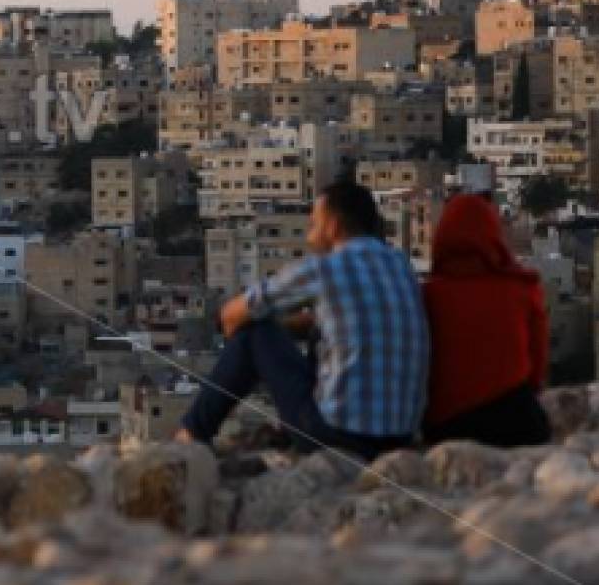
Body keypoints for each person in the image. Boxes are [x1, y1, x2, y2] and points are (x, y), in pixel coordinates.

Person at [177, 179, 428, 459]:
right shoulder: (400, 266)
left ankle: (191, 434)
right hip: (398, 439)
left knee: (254, 334)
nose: (309, 236)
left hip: (337, 436)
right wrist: (296, 326)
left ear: (333, 225)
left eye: (313, 225)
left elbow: (232, 316)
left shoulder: (325, 269)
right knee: (314, 335)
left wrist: (266, 333)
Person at [420, 193, 551, 447]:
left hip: (447, 425)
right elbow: (538, 366)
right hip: (515, 421)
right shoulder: (521, 287)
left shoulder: (429, 295)